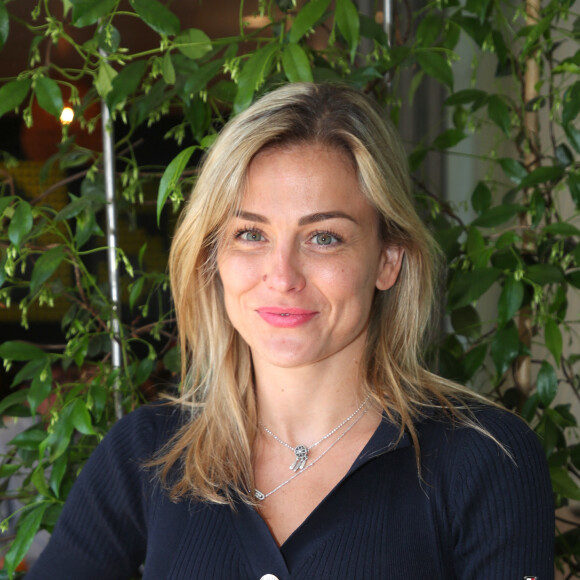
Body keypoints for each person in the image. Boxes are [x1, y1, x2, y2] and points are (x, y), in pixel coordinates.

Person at [27, 83, 554, 580]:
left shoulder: (485, 459)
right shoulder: (146, 453)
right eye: (250, 234)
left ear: (388, 260)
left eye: (324, 237)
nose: (281, 276)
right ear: (213, 257)